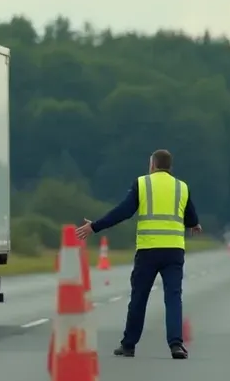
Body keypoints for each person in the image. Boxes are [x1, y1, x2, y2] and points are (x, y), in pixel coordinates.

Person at [75, 149, 202, 360]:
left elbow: (123, 211)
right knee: (173, 298)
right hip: (174, 251)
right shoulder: (182, 187)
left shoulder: (142, 184)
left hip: (148, 250)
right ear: (170, 167)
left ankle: (129, 345)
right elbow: (191, 218)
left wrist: (95, 227)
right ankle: (176, 345)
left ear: (152, 164)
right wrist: (195, 224)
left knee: (139, 298)